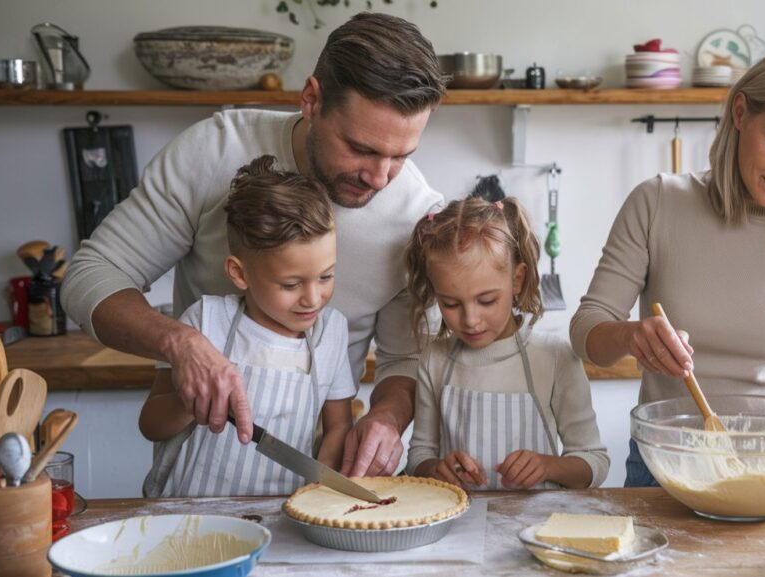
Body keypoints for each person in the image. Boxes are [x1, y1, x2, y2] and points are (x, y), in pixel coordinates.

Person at [61, 13, 447, 477]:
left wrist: (386, 418)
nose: (380, 177)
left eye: (401, 156)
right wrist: (180, 344)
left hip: (306, 481)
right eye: (361, 148)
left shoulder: (417, 217)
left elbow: (404, 358)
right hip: (196, 478)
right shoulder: (214, 150)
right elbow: (91, 274)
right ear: (311, 99)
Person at [569, 41, 765, 487]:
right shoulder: (658, 204)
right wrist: (631, 337)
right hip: (665, 467)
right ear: (742, 112)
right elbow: (586, 331)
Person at [140, 156, 355, 497]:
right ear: (239, 273)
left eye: (326, 276)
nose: (313, 298)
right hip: (192, 512)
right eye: (290, 285)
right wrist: (190, 401)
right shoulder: (205, 322)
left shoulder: (332, 332)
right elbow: (150, 424)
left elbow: (339, 425)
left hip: (285, 512)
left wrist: (320, 488)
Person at [404, 197, 609, 490]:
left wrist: (547, 466)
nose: (470, 320)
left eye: (486, 300)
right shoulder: (434, 360)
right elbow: (419, 456)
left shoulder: (554, 357)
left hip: (539, 528)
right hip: (459, 528)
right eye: (450, 304)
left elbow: (594, 462)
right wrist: (436, 469)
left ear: (517, 279)